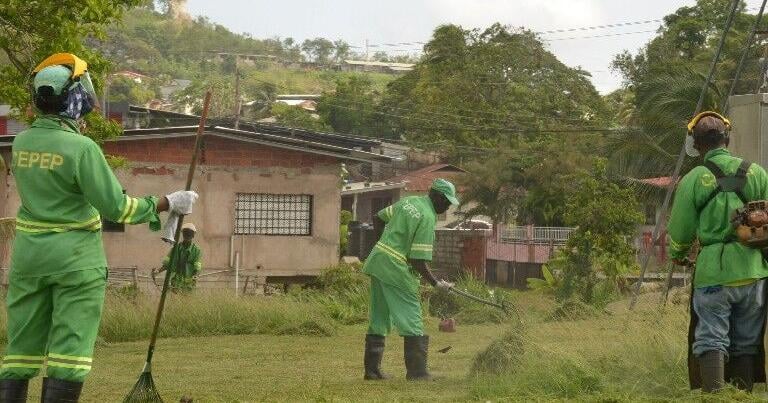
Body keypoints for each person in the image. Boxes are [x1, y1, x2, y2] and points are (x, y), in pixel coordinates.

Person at [0, 53, 199, 402]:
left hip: (29, 258)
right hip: (75, 260)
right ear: (73, 100)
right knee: (68, 352)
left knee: (20, 350)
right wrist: (167, 201)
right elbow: (118, 208)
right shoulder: (82, 149)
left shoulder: (22, 143)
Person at [668, 111, 768, 393]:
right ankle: (742, 397)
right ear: (726, 138)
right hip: (754, 272)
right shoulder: (757, 172)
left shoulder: (694, 179)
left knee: (711, 338)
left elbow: (680, 230)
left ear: (696, 144)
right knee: (746, 341)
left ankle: (715, 399)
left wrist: (679, 253)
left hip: (714, 273)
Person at [362, 178, 458, 381]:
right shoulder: (427, 216)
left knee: (379, 316)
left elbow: (378, 218)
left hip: (378, 261)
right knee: (412, 315)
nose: (448, 205)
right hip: (395, 268)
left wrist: (385, 245)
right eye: (447, 201)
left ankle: (372, 371)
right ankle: (418, 372)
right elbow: (417, 259)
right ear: (437, 196)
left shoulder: (409, 202)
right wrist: (436, 283)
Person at [153, 222, 203, 293]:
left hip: (188, 286)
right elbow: (167, 264)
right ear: (183, 234)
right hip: (175, 284)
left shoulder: (196, 250)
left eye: (190, 233)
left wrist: (195, 277)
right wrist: (157, 271)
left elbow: (197, 268)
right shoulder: (175, 249)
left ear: (193, 235)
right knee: (175, 302)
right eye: (186, 233)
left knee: (187, 304)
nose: (187, 235)